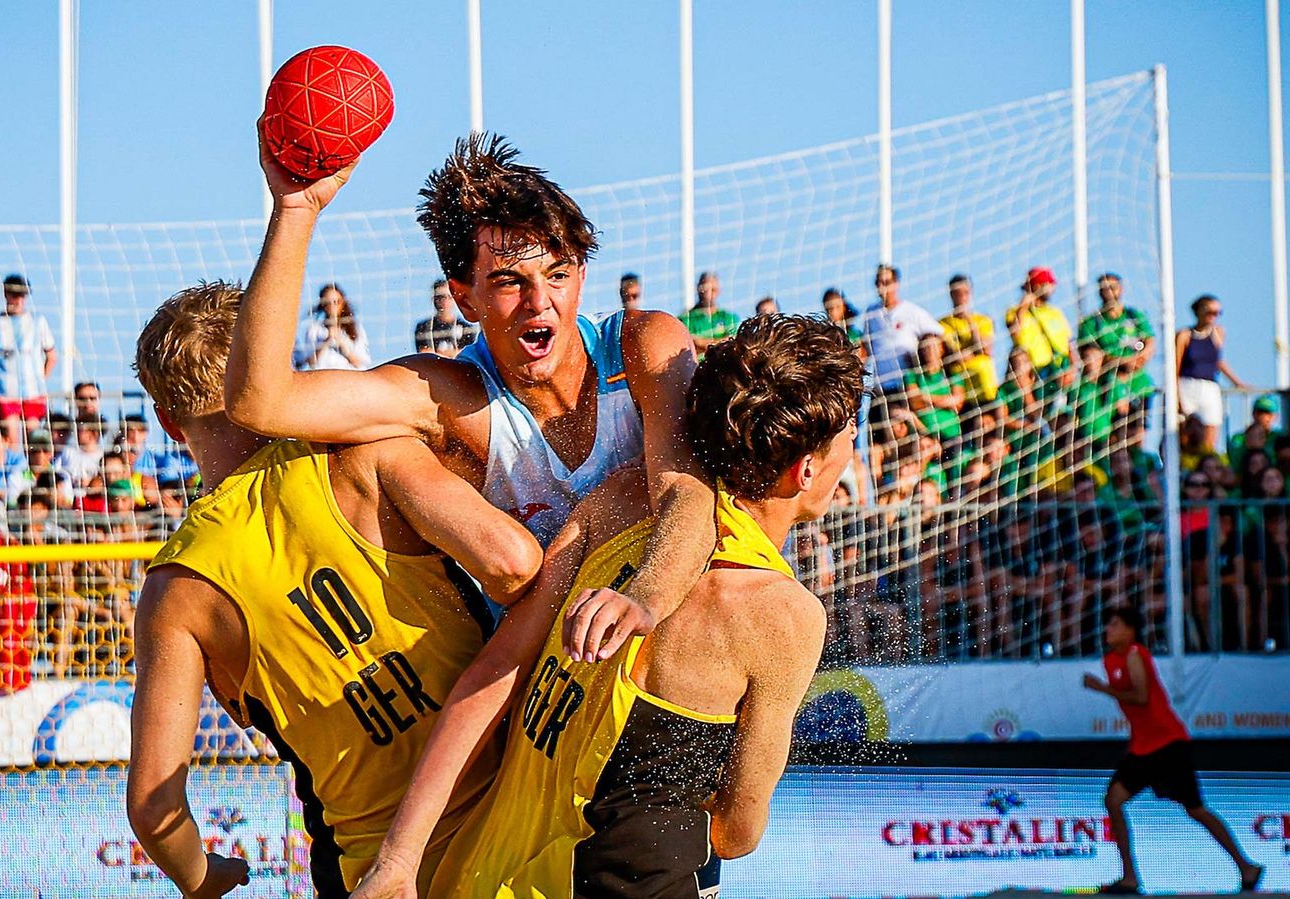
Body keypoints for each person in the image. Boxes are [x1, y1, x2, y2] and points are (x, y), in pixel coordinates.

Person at [351, 315, 858, 899]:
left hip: (493, 871)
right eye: (851, 432)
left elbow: (497, 670)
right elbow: (736, 831)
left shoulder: (619, 497)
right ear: (807, 468)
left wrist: (400, 855)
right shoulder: (782, 614)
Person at [224, 130, 715, 659]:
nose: (538, 302)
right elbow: (261, 401)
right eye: (508, 281)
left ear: (581, 275)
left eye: (557, 274)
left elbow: (686, 494)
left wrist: (642, 599)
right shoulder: (450, 398)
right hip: (546, 674)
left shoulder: (644, 345)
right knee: (372, 453)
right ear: (464, 299)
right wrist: (296, 211)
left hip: (671, 624)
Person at [124, 281, 543, 898]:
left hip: (371, 871)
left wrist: (200, 875)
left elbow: (152, 804)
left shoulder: (175, 592)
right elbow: (512, 563)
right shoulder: (362, 453)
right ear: (276, 368)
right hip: (522, 816)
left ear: (166, 419)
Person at [1083, 607, 1262, 894]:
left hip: (1167, 745)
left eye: (1114, 625)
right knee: (1113, 800)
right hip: (1143, 748)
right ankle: (1129, 876)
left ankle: (1246, 866)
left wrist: (1102, 689)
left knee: (1196, 810)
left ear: (1130, 630)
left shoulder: (1135, 654)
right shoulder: (1110, 660)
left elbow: (1141, 697)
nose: (1108, 630)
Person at [0, 274, 57, 446]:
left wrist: (40, 377)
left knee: (34, 439)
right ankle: (16, 472)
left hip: (34, 393)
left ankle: (31, 472)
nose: (17, 299)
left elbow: (52, 355)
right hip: (6, 393)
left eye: (21, 295)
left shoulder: (38, 322)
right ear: (5, 294)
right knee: (12, 441)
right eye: (13, 294)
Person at [1077, 273, 1156, 444]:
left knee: (1138, 434)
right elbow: (1092, 355)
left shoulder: (1134, 315)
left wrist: (1139, 359)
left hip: (1139, 383)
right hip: (1111, 384)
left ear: (1121, 289)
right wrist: (1122, 362)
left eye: (1112, 287)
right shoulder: (1092, 322)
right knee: (1116, 435)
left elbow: (1150, 342)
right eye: (1103, 288)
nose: (1108, 292)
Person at [858, 264, 944, 401]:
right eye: (878, 283)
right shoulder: (871, 313)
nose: (882, 288)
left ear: (896, 284)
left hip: (907, 384)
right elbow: (866, 346)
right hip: (881, 386)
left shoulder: (912, 311)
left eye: (886, 282)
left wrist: (920, 357)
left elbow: (938, 335)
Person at [1176, 294, 1247, 452]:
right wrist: (1177, 397)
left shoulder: (1218, 333)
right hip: (1187, 385)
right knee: (1185, 432)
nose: (1213, 316)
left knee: (1211, 428)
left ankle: (1207, 465)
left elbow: (1218, 361)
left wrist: (1237, 382)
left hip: (1209, 386)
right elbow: (1176, 367)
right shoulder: (1184, 335)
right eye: (1210, 312)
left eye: (1217, 313)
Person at [1005, 266, 1076, 391]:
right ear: (1037, 285)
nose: (1052, 288)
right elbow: (1014, 333)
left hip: (1059, 369)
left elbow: (1069, 343)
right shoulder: (1015, 311)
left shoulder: (1055, 313)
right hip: (1033, 372)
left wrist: (1073, 367)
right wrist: (1023, 307)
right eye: (1048, 284)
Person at [939, 274, 998, 406]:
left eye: (965, 293)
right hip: (960, 384)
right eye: (957, 293)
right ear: (951, 295)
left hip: (986, 387)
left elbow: (986, 350)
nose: (962, 297)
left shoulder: (983, 320)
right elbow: (954, 356)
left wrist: (970, 321)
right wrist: (973, 353)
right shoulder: (943, 324)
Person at [294, 282, 372, 370]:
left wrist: (342, 346)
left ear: (343, 303)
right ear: (323, 305)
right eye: (328, 302)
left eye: (336, 302)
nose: (332, 306)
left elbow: (361, 364)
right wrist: (326, 341)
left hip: (349, 378)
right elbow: (309, 363)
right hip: (323, 378)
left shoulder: (355, 329)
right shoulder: (314, 329)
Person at [680, 271, 740, 358]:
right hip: (696, 367)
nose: (708, 293)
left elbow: (732, 342)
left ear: (718, 290)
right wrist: (719, 342)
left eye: (713, 289)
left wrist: (701, 343)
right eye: (705, 288)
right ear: (697, 288)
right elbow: (688, 344)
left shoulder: (729, 318)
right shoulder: (685, 319)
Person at [414, 278, 478, 357]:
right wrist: (452, 353)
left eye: (448, 296)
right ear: (433, 299)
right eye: (440, 297)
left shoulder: (466, 327)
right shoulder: (424, 327)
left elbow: (467, 355)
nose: (444, 301)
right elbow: (424, 354)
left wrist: (439, 353)